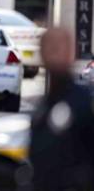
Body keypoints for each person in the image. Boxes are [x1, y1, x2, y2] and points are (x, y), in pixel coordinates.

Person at [29, 27, 94, 191]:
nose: (55, 55)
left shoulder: (82, 102)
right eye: (50, 48)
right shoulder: (42, 106)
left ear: (71, 53)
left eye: (60, 48)